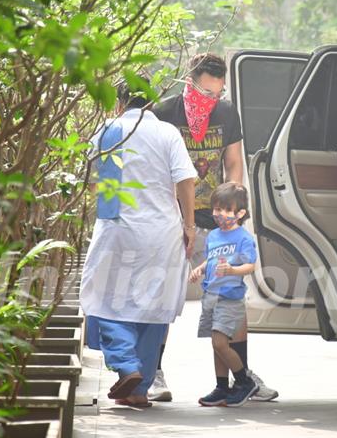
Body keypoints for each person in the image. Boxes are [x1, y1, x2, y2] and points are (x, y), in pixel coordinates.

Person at [149, 52, 278, 402]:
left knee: (228, 299)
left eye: (217, 93)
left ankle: (241, 379)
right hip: (171, 219)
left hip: (215, 220)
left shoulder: (225, 113)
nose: (211, 100)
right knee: (163, 298)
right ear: (190, 82)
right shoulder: (164, 113)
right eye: (205, 92)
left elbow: (234, 162)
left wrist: (232, 206)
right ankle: (153, 373)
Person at [79, 79, 197, 408]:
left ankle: (127, 366)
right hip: (162, 233)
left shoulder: (109, 129)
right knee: (152, 305)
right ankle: (139, 389)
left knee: (104, 298)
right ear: (152, 103)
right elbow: (185, 182)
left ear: (120, 102)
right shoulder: (168, 133)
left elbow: (94, 185)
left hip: (119, 229)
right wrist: (189, 226)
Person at [189, 182, 259, 407]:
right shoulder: (214, 236)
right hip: (211, 295)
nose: (220, 215)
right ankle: (221, 387)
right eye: (217, 209)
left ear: (240, 213)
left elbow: (250, 266)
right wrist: (200, 268)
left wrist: (232, 270)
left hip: (230, 297)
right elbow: (212, 258)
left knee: (221, 343)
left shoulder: (243, 238)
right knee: (214, 343)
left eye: (227, 210)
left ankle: (244, 382)